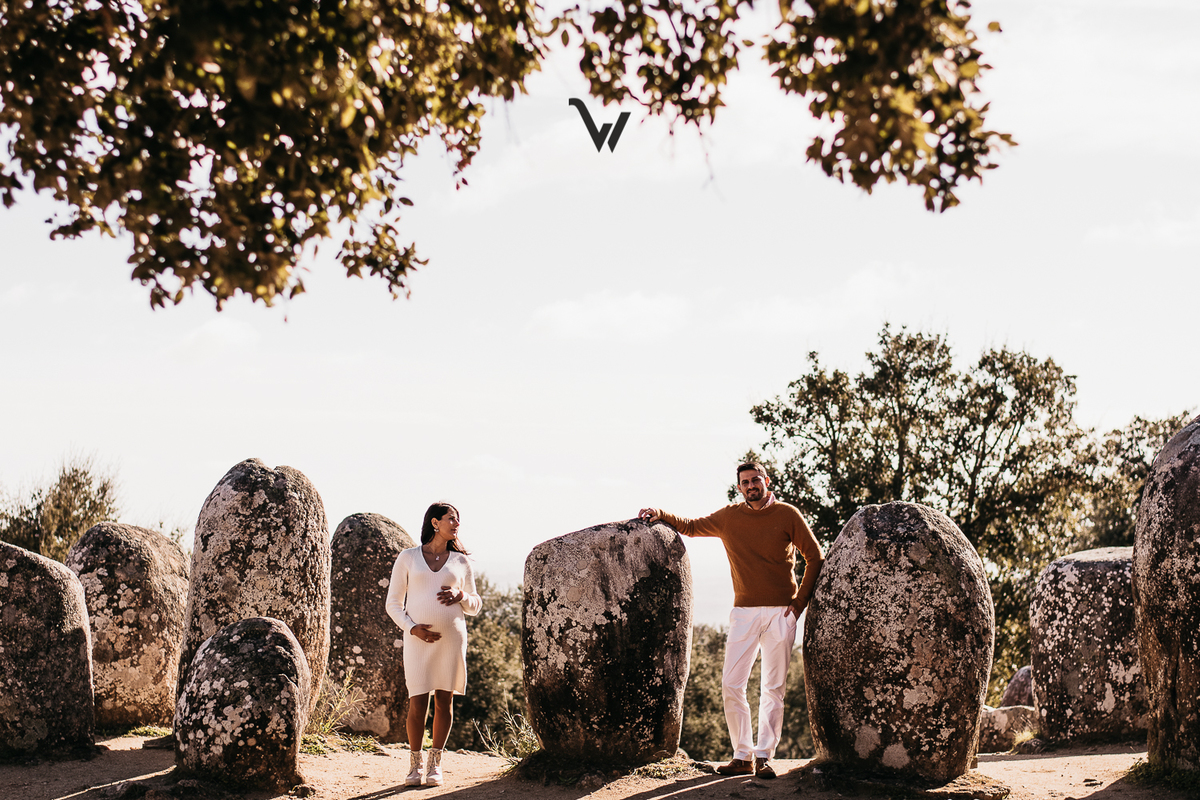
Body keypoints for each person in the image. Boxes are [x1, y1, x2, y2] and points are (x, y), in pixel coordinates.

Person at [639, 462, 823, 779]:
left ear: (766, 481)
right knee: (731, 684)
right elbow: (692, 526)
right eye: (745, 482)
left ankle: (763, 757)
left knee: (773, 689)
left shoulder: (787, 515)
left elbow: (815, 556)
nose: (751, 485)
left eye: (756, 480)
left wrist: (797, 607)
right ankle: (742, 755)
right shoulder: (729, 518)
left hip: (782, 614)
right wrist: (660, 511)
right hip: (743, 614)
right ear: (739, 488)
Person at [386, 501, 482, 787]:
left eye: (458, 520)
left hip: (451, 640)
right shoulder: (408, 558)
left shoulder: (461, 562)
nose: (456, 524)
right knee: (417, 703)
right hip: (417, 641)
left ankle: (435, 764)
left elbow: (476, 605)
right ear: (435, 523)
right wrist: (413, 628)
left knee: (444, 702)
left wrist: (460, 596)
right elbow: (393, 604)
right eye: (451, 519)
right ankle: (414, 765)